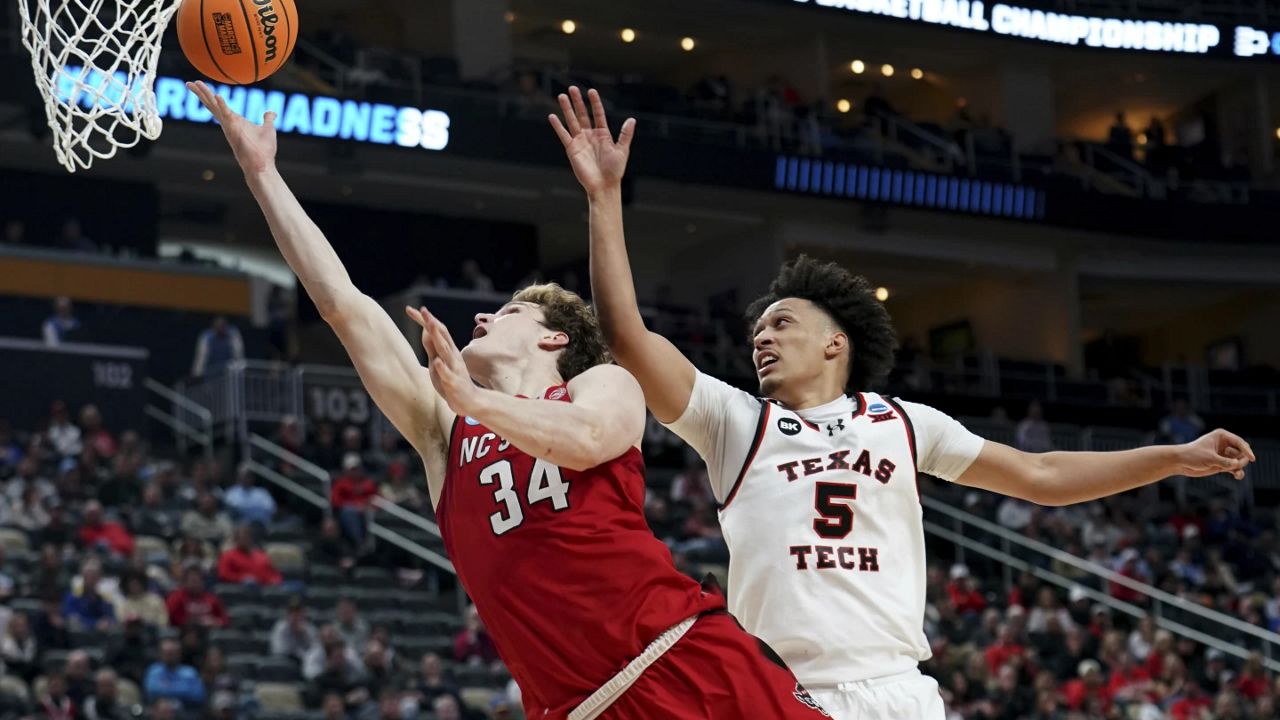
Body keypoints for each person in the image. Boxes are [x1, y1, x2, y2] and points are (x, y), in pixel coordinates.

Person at [563, 85, 1257, 720]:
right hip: (782, 690)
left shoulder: (901, 422)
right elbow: (626, 334)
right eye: (757, 331)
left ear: (836, 344)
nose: (760, 338)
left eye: (781, 324)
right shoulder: (736, 423)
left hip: (898, 689)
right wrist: (603, 199)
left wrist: (1171, 455)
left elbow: (1042, 477)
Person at [190, 78, 829, 720]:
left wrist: (475, 400)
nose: (481, 321)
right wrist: (263, 173)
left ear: (555, 336)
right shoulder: (445, 429)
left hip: (684, 662)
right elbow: (342, 306)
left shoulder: (599, 384)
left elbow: (585, 441)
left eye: (507, 310)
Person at [144, 638, 206, 710]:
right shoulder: (154, 670)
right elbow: (152, 690)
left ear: (179, 654)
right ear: (160, 654)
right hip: (159, 709)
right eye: (167, 653)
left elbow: (198, 695)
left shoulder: (190, 672)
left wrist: (166, 688)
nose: (169, 657)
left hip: (186, 710)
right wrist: (183, 689)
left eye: (172, 653)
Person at [217, 525, 283, 586]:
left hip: (264, 589)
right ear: (236, 539)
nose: (245, 540)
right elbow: (223, 574)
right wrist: (241, 578)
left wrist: (276, 579)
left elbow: (274, 573)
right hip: (241, 591)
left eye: (247, 537)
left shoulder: (261, 556)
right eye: (242, 537)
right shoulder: (228, 556)